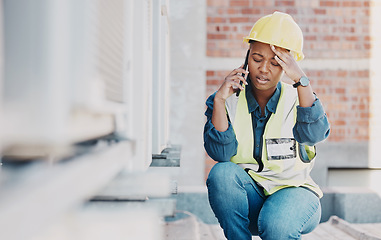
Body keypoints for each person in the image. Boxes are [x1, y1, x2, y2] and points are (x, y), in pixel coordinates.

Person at [203, 11, 330, 240]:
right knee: (221, 173)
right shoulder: (227, 99)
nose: (263, 69)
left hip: (294, 196)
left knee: (278, 225)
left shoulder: (298, 99)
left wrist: (301, 79)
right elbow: (221, 153)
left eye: (275, 62)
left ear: (287, 65)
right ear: (247, 57)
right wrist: (220, 101)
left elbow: (314, 135)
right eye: (257, 59)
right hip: (250, 200)